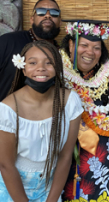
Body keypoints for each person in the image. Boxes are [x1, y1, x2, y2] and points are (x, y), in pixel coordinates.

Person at [0, 40, 83, 202]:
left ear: (57, 67)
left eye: (49, 63)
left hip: (49, 187)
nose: (41, 68)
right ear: (23, 69)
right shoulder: (7, 109)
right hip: (12, 187)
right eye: (32, 62)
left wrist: (51, 199)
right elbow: (6, 165)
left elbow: (66, 156)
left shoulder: (70, 102)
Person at [60, 20, 109, 202]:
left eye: (96, 47)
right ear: (71, 44)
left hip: (106, 162)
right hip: (69, 159)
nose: (90, 52)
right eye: (84, 45)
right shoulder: (56, 73)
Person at [0, 0, 61, 101]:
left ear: (60, 22)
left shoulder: (61, 53)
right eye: (41, 12)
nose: (48, 15)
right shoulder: (8, 42)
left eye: (54, 13)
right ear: (32, 19)